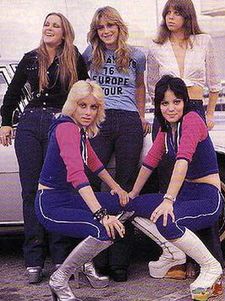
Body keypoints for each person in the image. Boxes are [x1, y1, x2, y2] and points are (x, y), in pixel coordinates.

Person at [0, 12, 89, 284]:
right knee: (31, 191)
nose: (49, 29)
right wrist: (5, 123)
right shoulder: (31, 58)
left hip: (60, 124)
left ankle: (61, 256)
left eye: (55, 26)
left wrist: (82, 125)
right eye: (47, 24)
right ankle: (34, 259)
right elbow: (12, 95)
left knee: (58, 189)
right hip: (29, 125)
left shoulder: (73, 57)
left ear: (64, 32)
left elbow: (84, 92)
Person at [127, 75, 223, 301]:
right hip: (185, 195)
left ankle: (211, 267)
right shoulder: (166, 128)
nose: (170, 108)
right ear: (158, 105)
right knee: (129, 206)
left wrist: (168, 200)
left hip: (207, 198)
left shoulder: (192, 120)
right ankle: (174, 252)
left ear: (185, 102)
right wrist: (132, 193)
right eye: (164, 103)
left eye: (176, 102)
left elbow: (182, 160)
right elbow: (151, 161)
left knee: (167, 220)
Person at [146, 0, 223, 279]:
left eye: (176, 12)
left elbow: (214, 82)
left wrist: (210, 114)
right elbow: (153, 84)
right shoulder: (155, 46)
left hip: (193, 110)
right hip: (165, 115)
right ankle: (177, 258)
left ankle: (210, 257)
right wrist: (155, 117)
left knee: (201, 181)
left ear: (187, 15)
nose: (170, 17)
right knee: (169, 183)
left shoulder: (203, 41)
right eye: (167, 12)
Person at [35, 80, 132, 301]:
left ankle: (85, 265)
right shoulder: (67, 128)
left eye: (93, 107)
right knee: (105, 230)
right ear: (72, 105)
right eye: (83, 105)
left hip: (68, 198)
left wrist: (116, 188)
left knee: (125, 205)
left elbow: (94, 162)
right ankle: (59, 279)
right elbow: (77, 174)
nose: (88, 112)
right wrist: (102, 215)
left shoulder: (78, 129)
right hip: (50, 203)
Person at [82, 6, 151, 281]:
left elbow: (140, 87)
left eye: (110, 26)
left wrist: (142, 115)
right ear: (96, 31)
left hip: (128, 121)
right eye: (101, 27)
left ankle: (120, 261)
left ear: (119, 27)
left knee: (124, 187)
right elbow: (83, 88)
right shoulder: (89, 54)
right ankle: (97, 256)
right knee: (94, 184)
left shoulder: (136, 55)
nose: (106, 31)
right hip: (100, 121)